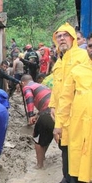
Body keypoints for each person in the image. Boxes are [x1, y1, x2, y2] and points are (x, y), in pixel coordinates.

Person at [49, 22, 89, 183]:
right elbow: (57, 87)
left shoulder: (83, 57)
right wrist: (52, 105)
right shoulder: (59, 61)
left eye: (65, 35)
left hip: (78, 115)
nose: (62, 38)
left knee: (78, 150)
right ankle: (68, 176)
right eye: (58, 36)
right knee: (64, 147)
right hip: (61, 115)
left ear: (73, 38)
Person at [21, 74, 54, 169]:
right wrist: (37, 115)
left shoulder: (27, 87)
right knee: (47, 134)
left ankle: (39, 165)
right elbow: (46, 101)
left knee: (37, 139)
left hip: (47, 112)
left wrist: (30, 114)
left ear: (23, 83)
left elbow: (29, 97)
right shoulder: (40, 85)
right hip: (55, 112)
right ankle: (42, 158)